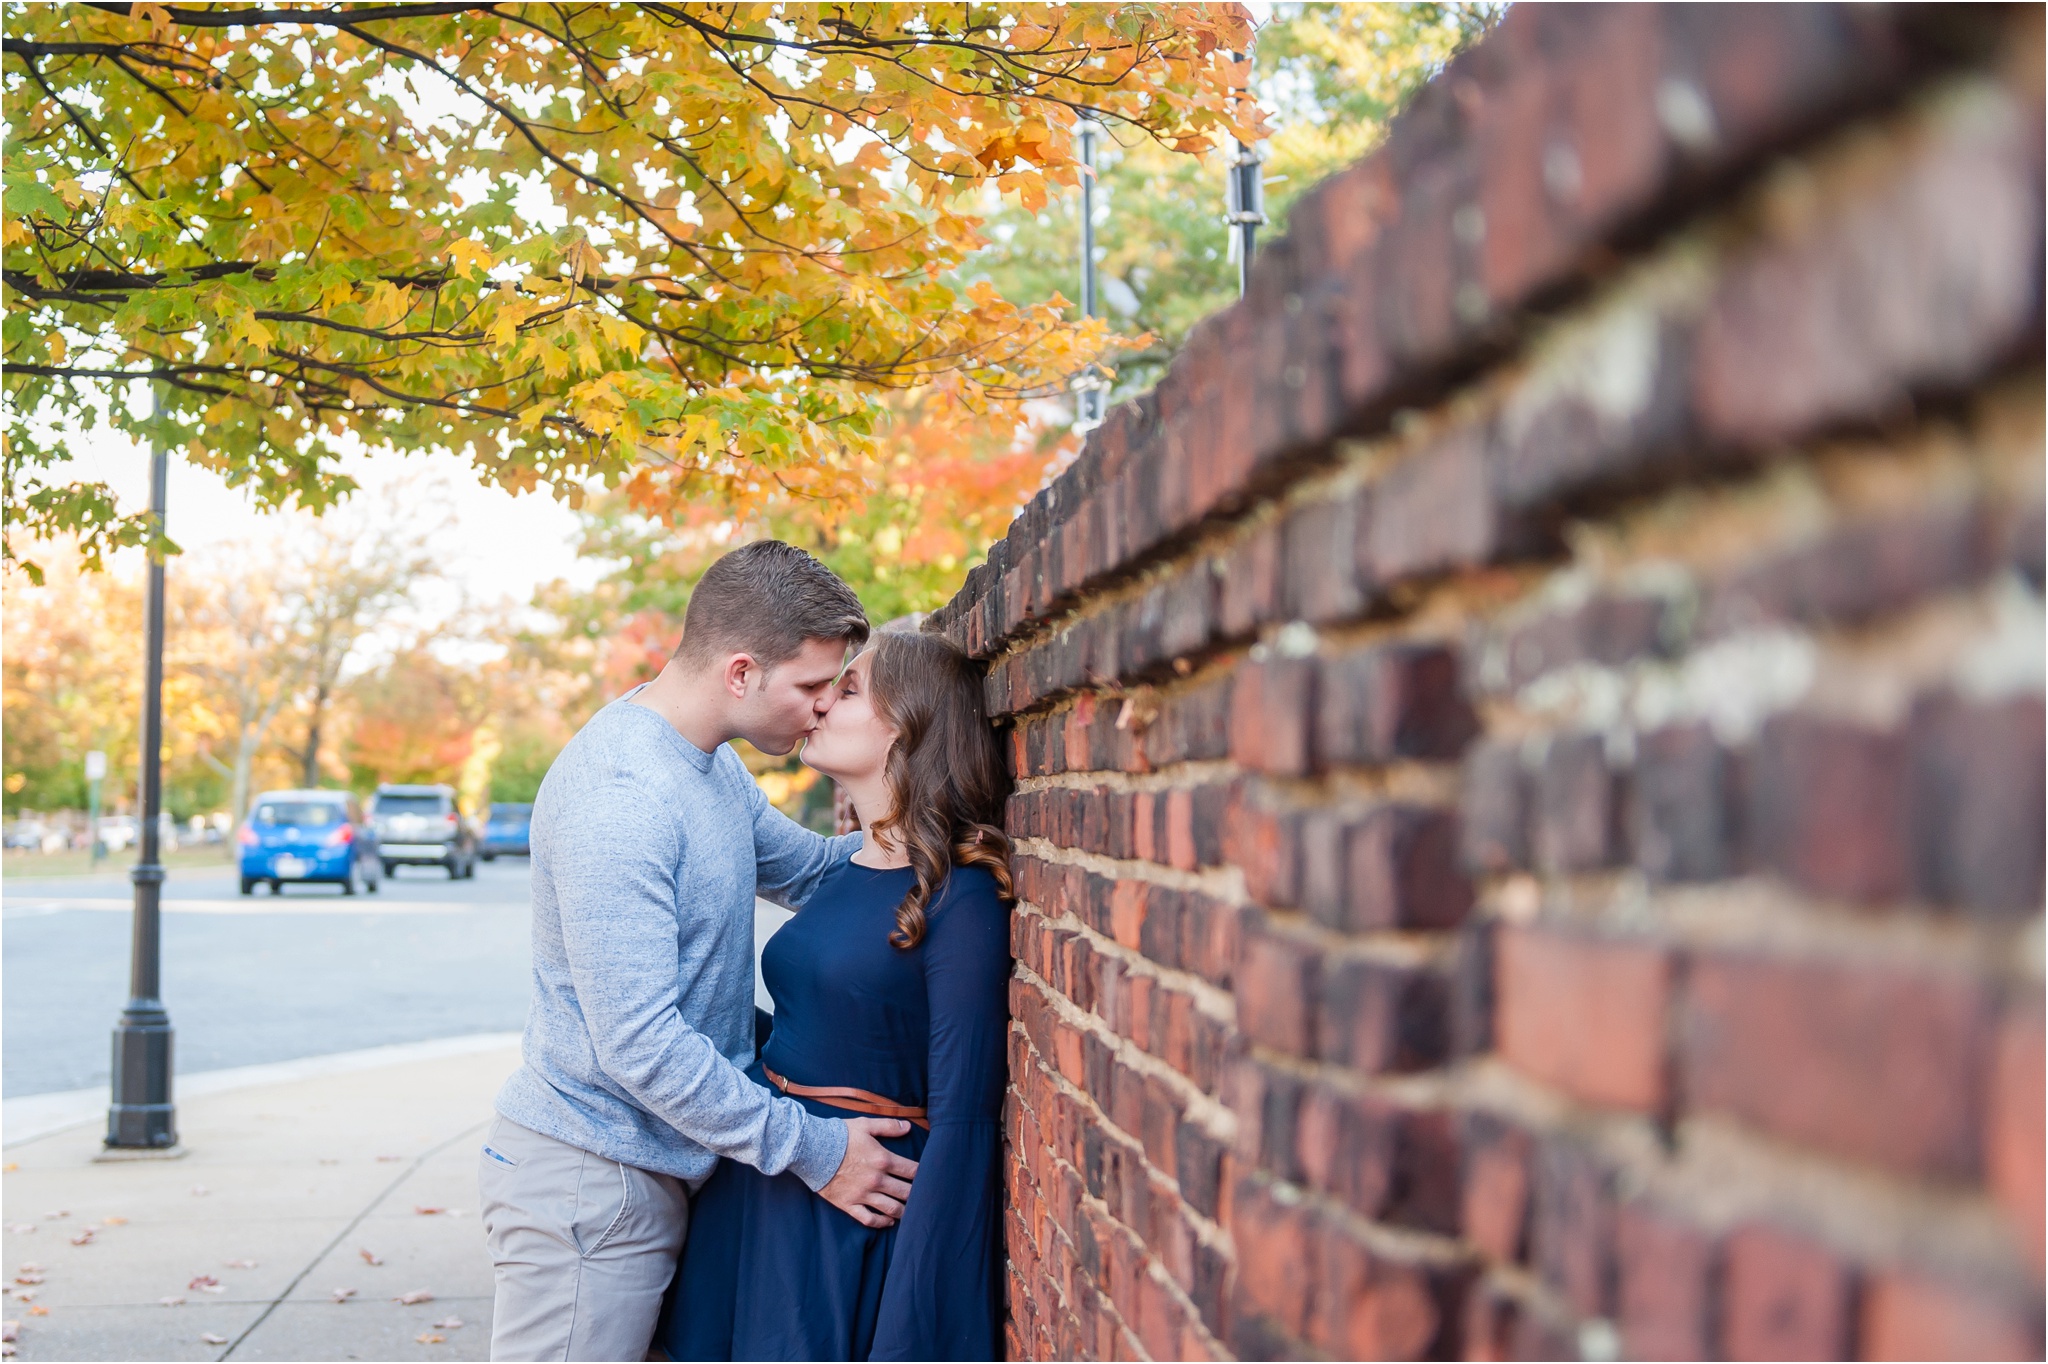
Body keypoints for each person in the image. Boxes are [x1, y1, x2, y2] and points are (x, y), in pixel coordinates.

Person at [478, 541, 922, 1362]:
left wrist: (939, 845)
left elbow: (818, 875)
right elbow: (639, 1044)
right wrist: (814, 1149)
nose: (824, 708)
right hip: (591, 1178)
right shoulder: (621, 800)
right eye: (813, 686)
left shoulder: (707, 768)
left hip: (655, 1166)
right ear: (742, 672)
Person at [657, 629, 1014, 1362]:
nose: (820, 705)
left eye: (847, 690)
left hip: (854, 1206)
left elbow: (964, 1121)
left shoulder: (959, 898)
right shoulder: (850, 868)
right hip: (767, 1181)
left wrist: (919, 1322)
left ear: (908, 725)